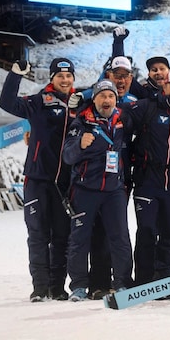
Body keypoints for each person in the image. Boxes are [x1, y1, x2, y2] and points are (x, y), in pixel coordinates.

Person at [0, 57, 76, 302]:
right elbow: (7, 103)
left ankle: (57, 287)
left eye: (68, 76)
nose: (65, 80)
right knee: (38, 235)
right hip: (38, 179)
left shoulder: (80, 103)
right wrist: (15, 75)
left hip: (65, 183)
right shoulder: (38, 101)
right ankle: (40, 288)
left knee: (62, 237)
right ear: (52, 78)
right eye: (60, 76)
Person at [123, 69, 170, 285]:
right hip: (148, 177)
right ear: (164, 86)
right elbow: (118, 113)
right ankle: (144, 280)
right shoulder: (148, 107)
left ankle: (165, 280)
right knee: (146, 230)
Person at [62, 80, 134, 301]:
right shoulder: (81, 122)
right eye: (102, 96)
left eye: (111, 96)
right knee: (79, 238)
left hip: (113, 190)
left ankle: (122, 283)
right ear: (94, 99)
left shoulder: (122, 119)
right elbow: (67, 156)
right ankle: (79, 286)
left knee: (120, 237)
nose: (107, 100)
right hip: (85, 189)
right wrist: (80, 144)